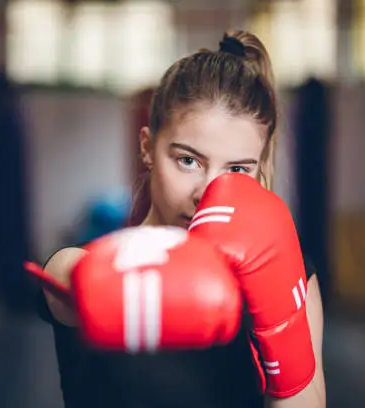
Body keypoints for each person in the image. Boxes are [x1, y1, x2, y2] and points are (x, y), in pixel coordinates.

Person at [35, 29, 326, 408]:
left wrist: (278, 325)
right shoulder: (87, 267)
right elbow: (67, 279)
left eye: (237, 170)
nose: (208, 193)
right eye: (188, 160)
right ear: (147, 148)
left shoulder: (291, 274)